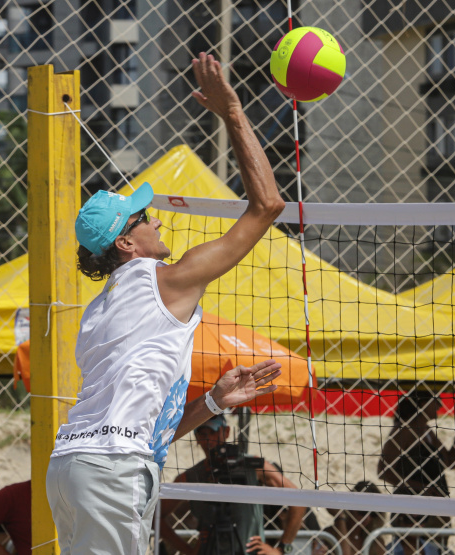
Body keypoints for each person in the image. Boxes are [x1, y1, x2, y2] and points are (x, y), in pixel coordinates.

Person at [46, 51, 286, 555]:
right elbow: (267, 206)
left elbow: (147, 427)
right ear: (126, 245)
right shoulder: (168, 281)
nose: (155, 219)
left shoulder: (96, 313)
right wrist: (233, 111)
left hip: (72, 465)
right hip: (111, 469)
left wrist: (215, 402)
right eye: (141, 218)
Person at [159, 414, 307, 555]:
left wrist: (282, 548)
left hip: (249, 550)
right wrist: (188, 550)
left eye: (213, 431)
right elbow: (156, 517)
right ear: (196, 438)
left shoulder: (252, 466)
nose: (208, 439)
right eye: (202, 433)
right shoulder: (191, 476)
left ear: (227, 431)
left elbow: (299, 501)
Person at [377, 389, 455, 555]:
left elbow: (450, 462)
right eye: (436, 400)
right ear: (421, 404)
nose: (440, 405)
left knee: (436, 549)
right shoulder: (404, 429)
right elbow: (383, 471)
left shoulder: (426, 430)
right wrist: (420, 487)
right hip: (412, 509)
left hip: (436, 506)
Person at [313, 481, 387, 555]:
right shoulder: (330, 534)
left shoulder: (376, 542)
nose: (367, 517)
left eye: (373, 513)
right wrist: (340, 517)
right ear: (351, 506)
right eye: (363, 511)